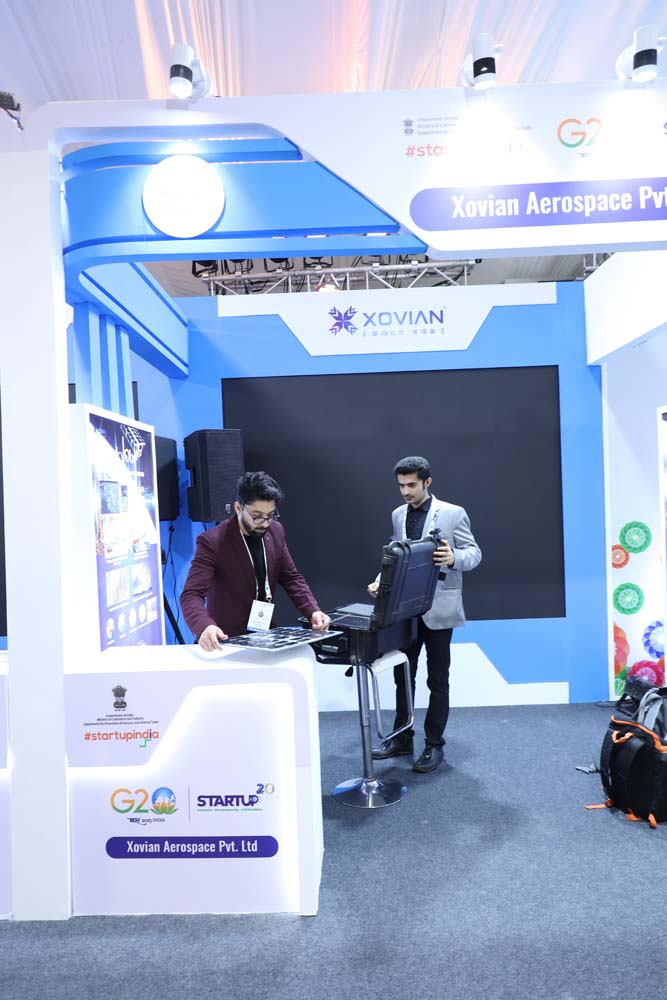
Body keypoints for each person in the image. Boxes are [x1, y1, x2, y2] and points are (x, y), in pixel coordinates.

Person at [368, 456, 481, 773]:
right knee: (402, 676)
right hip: (405, 610)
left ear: (427, 482)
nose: (405, 491)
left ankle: (434, 744)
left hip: (439, 608)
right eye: (401, 485)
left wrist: (453, 557)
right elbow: (396, 555)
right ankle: (402, 737)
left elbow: (474, 553)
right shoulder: (398, 514)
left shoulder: (453, 513)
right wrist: (380, 581)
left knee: (437, 679)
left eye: (411, 485)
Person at [181, 470, 330, 650]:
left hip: (266, 635)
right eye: (257, 516)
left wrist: (313, 611)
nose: (265, 523)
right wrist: (204, 626)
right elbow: (192, 594)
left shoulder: (276, 531)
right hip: (226, 639)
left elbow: (291, 578)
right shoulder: (212, 541)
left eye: (270, 515)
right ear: (238, 508)